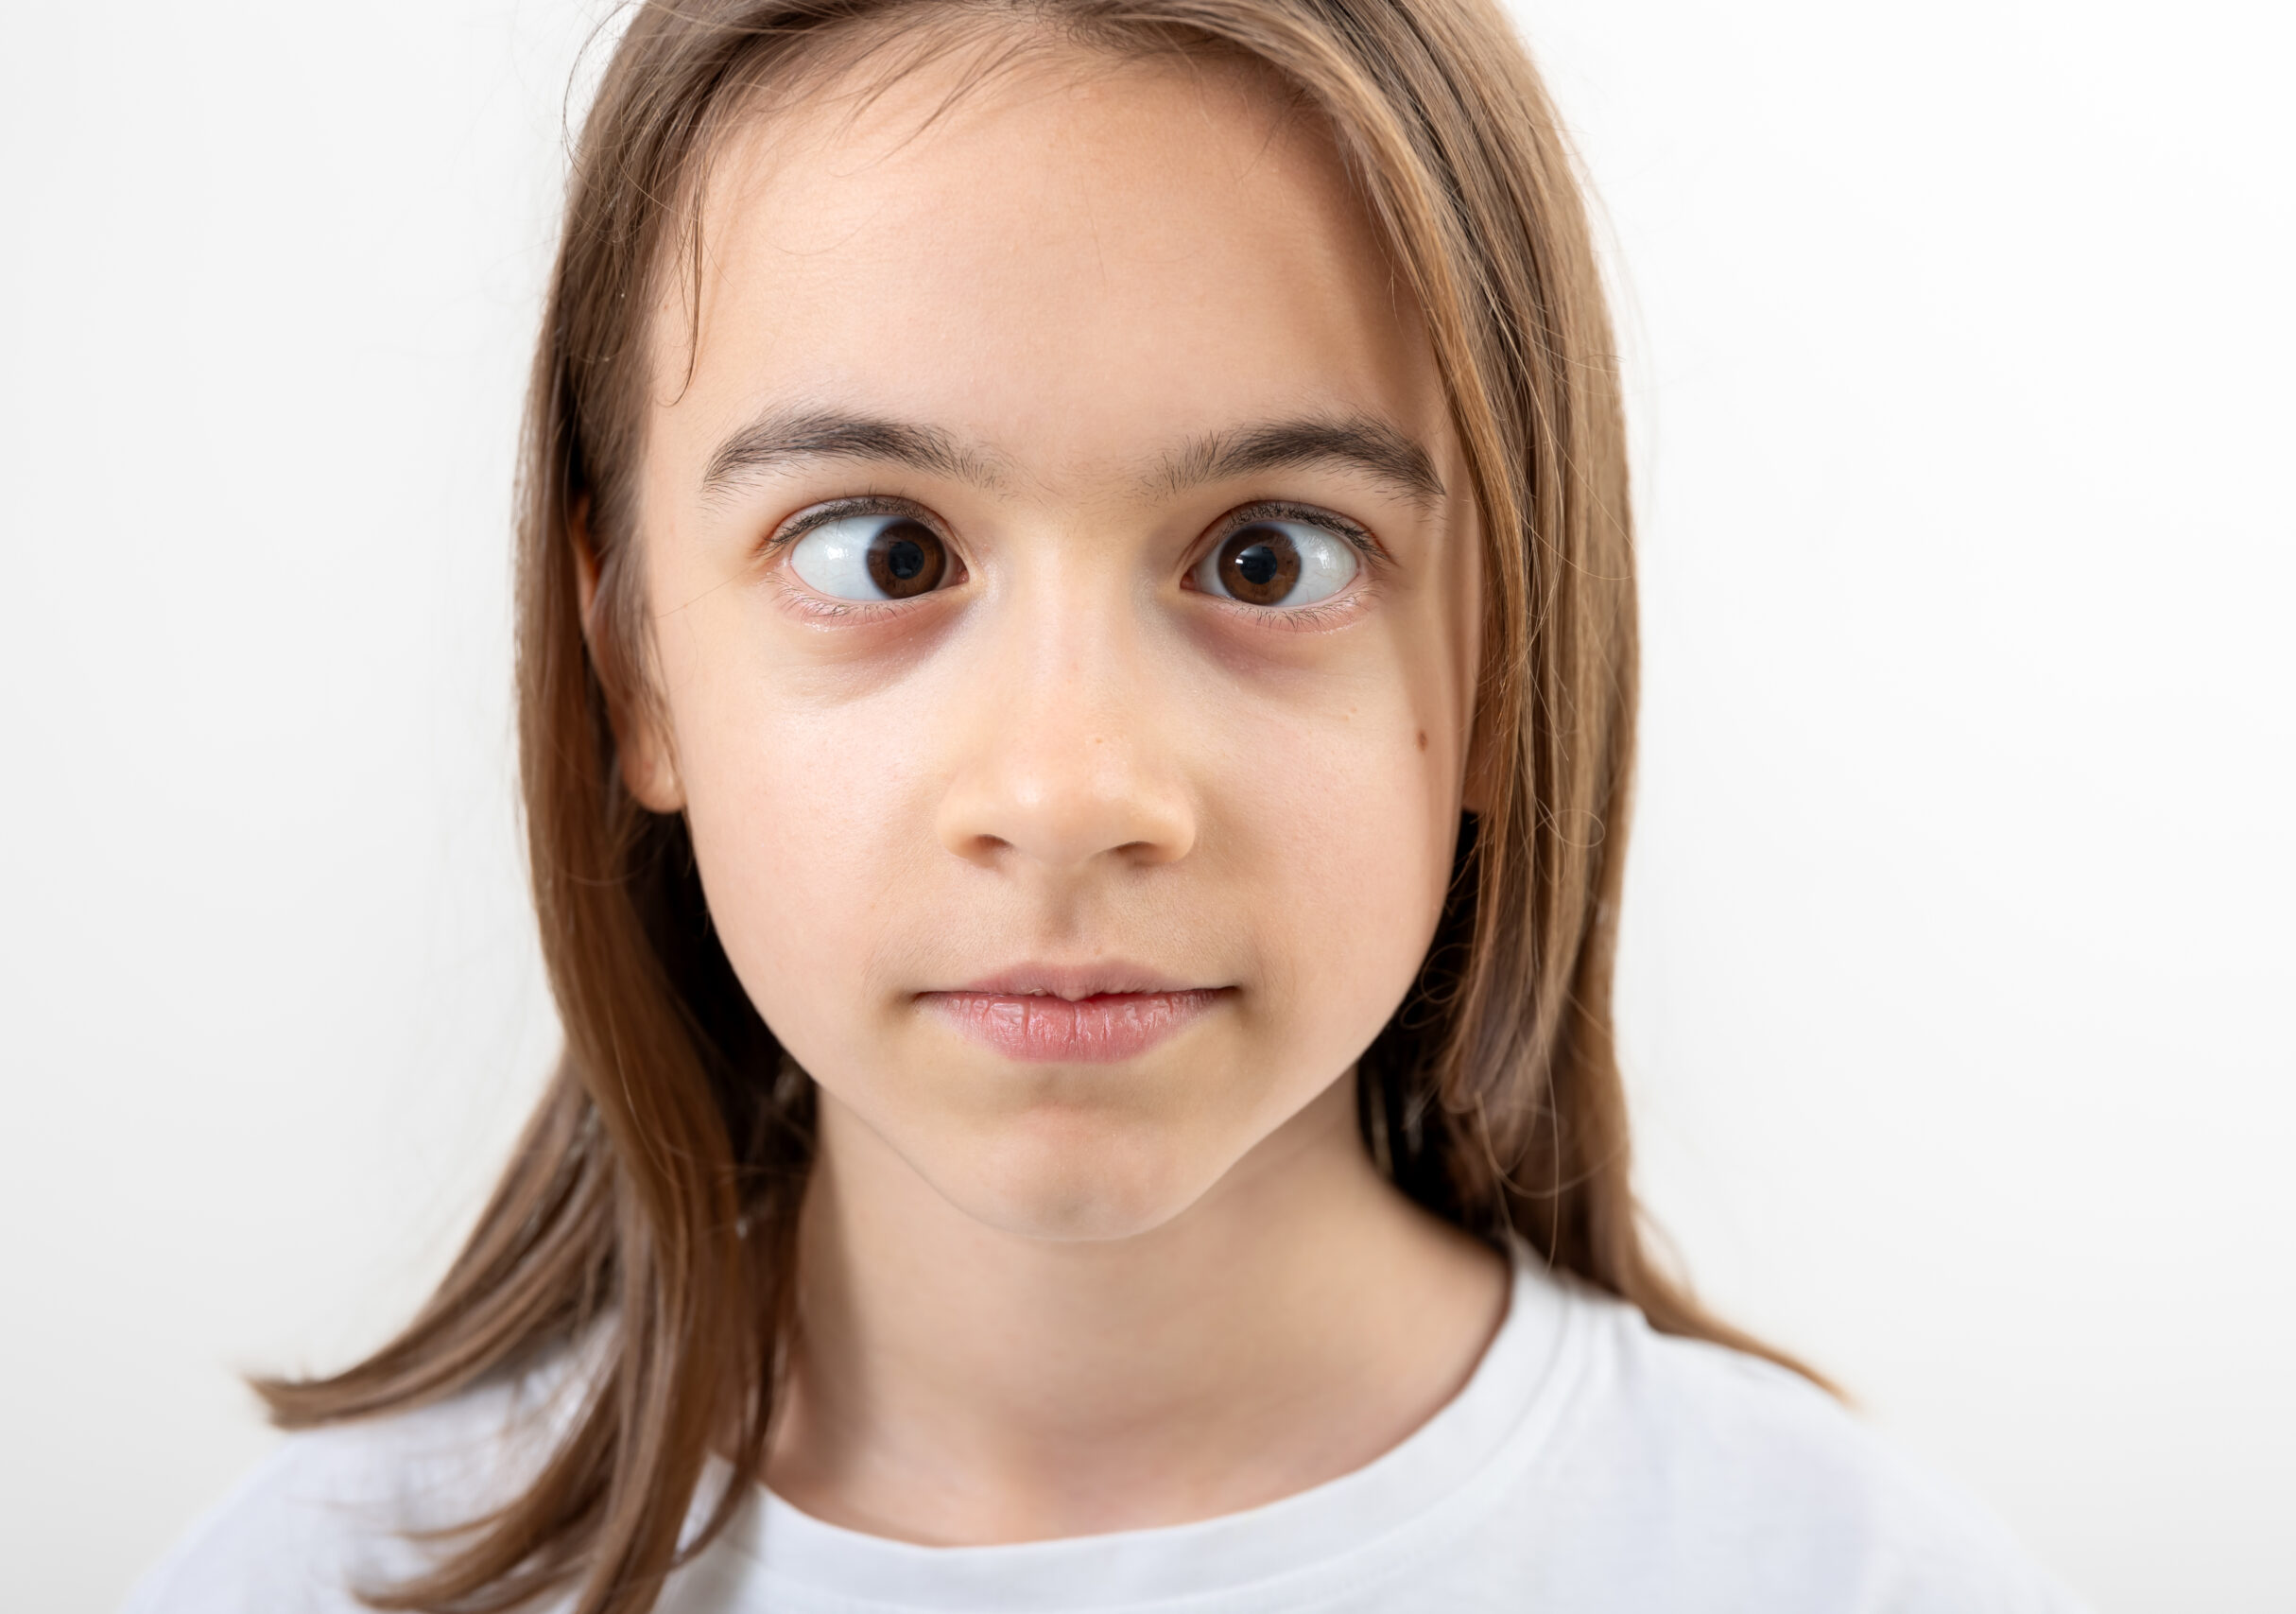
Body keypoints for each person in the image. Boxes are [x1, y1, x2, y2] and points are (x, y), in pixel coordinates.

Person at [129, 3, 2085, 1610]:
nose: (1069, 793)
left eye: (1268, 561)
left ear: (1506, 664)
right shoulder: (317, 1583)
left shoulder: (1837, 1574)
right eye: (886, 553)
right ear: (634, 660)